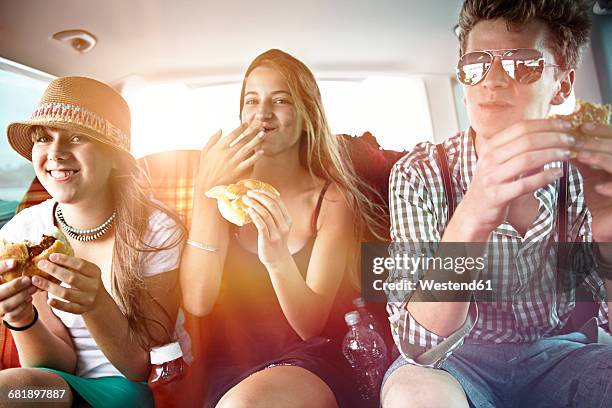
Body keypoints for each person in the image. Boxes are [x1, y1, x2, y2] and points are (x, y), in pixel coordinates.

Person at [382, 1, 612, 407]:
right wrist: (471, 218)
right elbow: (418, 346)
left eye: (524, 63)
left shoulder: (587, 175)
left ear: (562, 84)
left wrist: (607, 234)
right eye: (477, 65)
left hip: (561, 353)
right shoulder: (419, 173)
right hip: (454, 362)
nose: (493, 80)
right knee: (414, 395)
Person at [180, 49, 384, 407]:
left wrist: (276, 256)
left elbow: (310, 325)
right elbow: (198, 300)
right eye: (251, 101)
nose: (263, 113)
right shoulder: (224, 192)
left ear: (307, 117)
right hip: (230, 365)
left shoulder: (330, 200)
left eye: (281, 100)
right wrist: (204, 192)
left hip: (309, 361)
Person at [0, 76, 187, 408]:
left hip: (134, 387)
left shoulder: (158, 229)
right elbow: (54, 367)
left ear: (114, 156)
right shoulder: (23, 232)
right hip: (58, 384)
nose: (56, 153)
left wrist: (96, 301)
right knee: (11, 390)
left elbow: (142, 366)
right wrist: (20, 317)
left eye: (77, 137)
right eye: (44, 138)